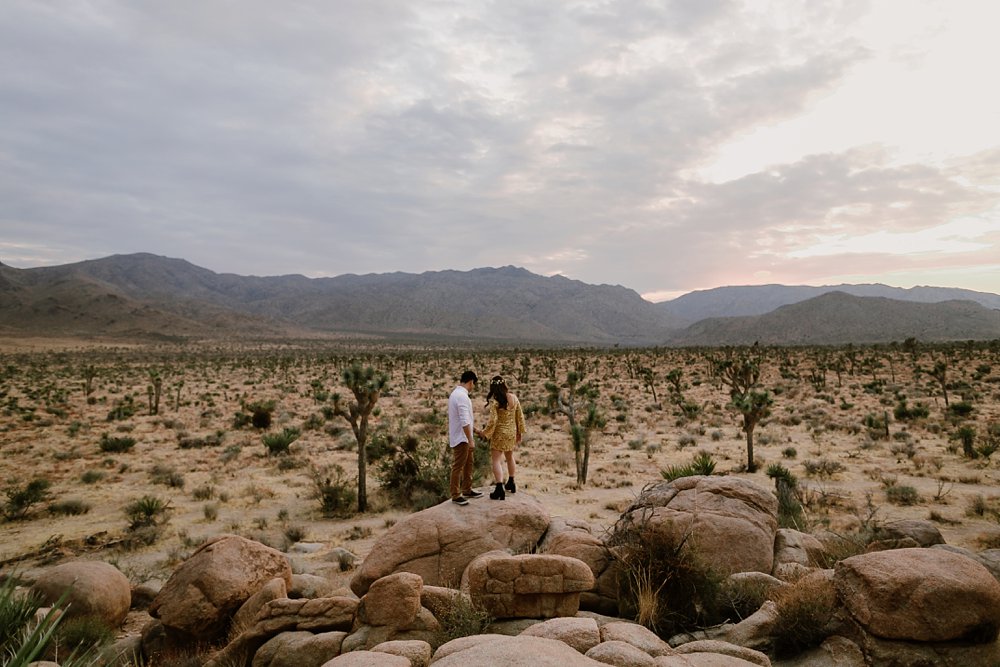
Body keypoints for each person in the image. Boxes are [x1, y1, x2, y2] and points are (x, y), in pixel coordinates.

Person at [481, 375, 525, 500]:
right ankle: (511, 482)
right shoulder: (514, 398)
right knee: (510, 457)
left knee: (496, 460)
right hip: (511, 432)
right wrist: (519, 432)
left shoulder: (496, 401)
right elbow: (519, 416)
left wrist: (485, 433)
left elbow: (493, 420)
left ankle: (499, 487)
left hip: (499, 433)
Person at [447, 370, 484, 505]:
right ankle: (456, 495)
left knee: (468, 464)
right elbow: (464, 420)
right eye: (474, 384)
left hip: (462, 435)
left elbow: (465, 419)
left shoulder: (455, 394)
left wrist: (475, 430)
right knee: (458, 466)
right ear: (471, 382)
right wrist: (470, 439)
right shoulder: (462, 396)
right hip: (462, 438)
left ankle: (467, 489)